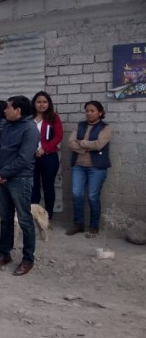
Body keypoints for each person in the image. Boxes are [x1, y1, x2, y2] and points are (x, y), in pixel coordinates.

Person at [0, 96, 40, 276]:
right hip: (3, 180)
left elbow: (24, 158)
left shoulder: (30, 129)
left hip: (20, 180)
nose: (5, 110)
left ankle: (28, 259)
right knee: (5, 218)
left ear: (18, 110)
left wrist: (2, 174)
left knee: (25, 220)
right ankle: (4, 254)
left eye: (9, 107)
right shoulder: (8, 127)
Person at [67, 100, 112, 238]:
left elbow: (99, 144)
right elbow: (70, 143)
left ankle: (94, 226)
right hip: (79, 166)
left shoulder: (106, 127)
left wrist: (81, 143)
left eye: (92, 110)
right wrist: (87, 147)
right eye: (87, 110)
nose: (89, 113)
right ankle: (78, 224)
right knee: (76, 194)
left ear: (100, 112)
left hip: (97, 168)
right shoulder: (79, 125)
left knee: (93, 197)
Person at [30, 91, 63, 219]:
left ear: (49, 104)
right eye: (39, 102)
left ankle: (48, 216)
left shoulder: (53, 118)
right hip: (31, 157)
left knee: (48, 186)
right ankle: (34, 214)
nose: (42, 104)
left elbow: (58, 136)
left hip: (49, 157)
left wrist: (44, 148)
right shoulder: (29, 118)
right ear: (34, 104)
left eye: (44, 102)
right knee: (33, 186)